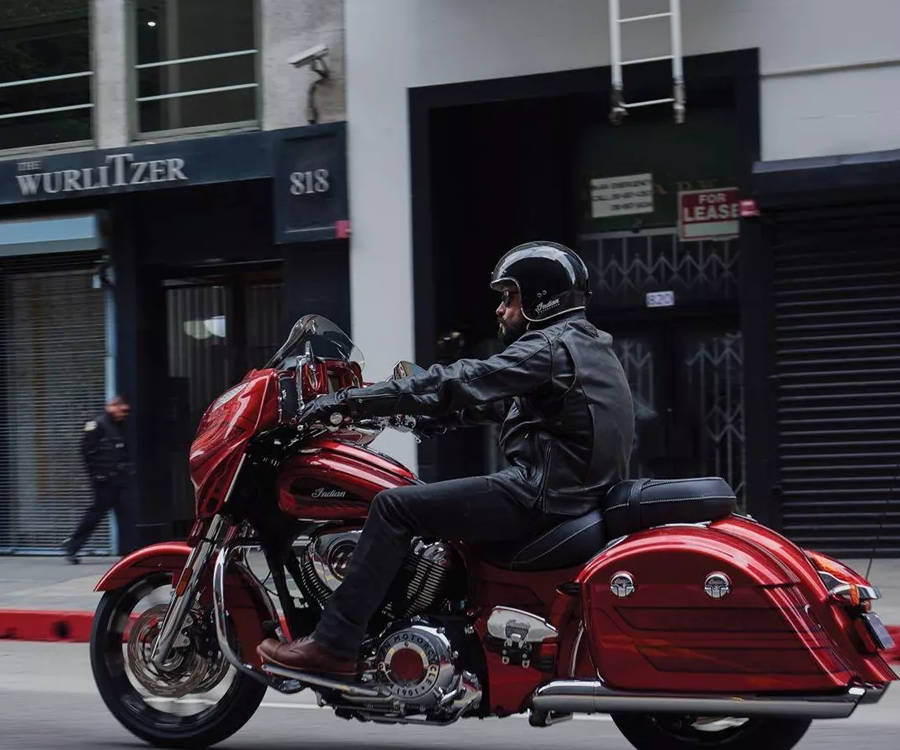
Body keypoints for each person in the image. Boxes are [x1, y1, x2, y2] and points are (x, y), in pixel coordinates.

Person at [259, 241, 635, 678]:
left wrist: (350, 401)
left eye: (509, 297)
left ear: (540, 298)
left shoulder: (549, 346)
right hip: (568, 494)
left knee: (394, 506)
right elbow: (497, 403)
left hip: (542, 495)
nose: (500, 309)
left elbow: (464, 380)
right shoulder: (585, 345)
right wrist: (426, 418)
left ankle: (333, 643)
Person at [61, 395, 134, 565]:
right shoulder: (97, 425)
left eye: (127, 411)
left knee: (127, 514)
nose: (125, 414)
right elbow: (86, 451)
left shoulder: (121, 425)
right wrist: (97, 474)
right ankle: (72, 545)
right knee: (95, 514)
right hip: (104, 480)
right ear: (112, 407)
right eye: (122, 410)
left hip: (121, 478)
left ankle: (129, 552)